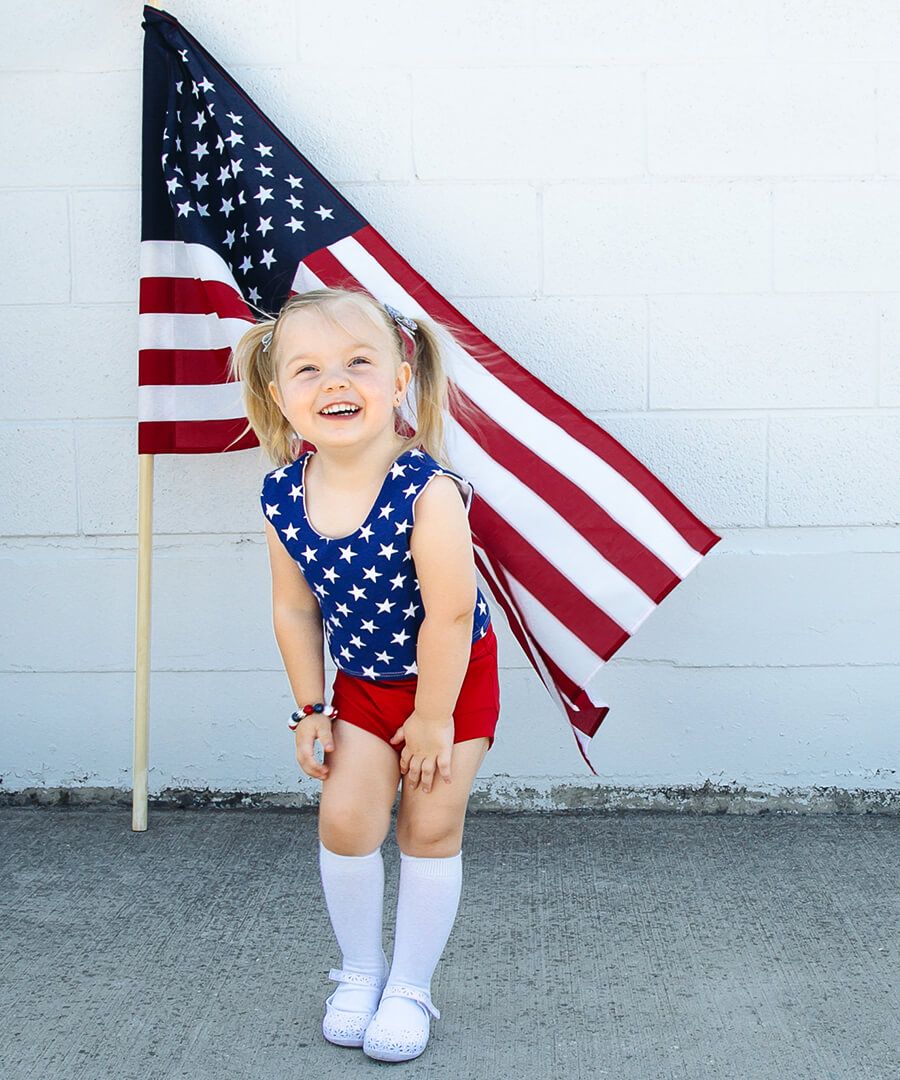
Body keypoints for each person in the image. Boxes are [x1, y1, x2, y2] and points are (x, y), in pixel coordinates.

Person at [230, 286, 501, 1063]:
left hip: (448, 682)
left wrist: (434, 717)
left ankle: (411, 987)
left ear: (400, 373)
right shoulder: (285, 493)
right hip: (364, 684)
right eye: (309, 370)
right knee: (346, 819)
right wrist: (311, 707)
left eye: (358, 362)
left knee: (428, 822)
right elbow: (294, 610)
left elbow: (450, 615)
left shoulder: (428, 491)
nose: (336, 383)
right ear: (280, 394)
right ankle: (360, 971)